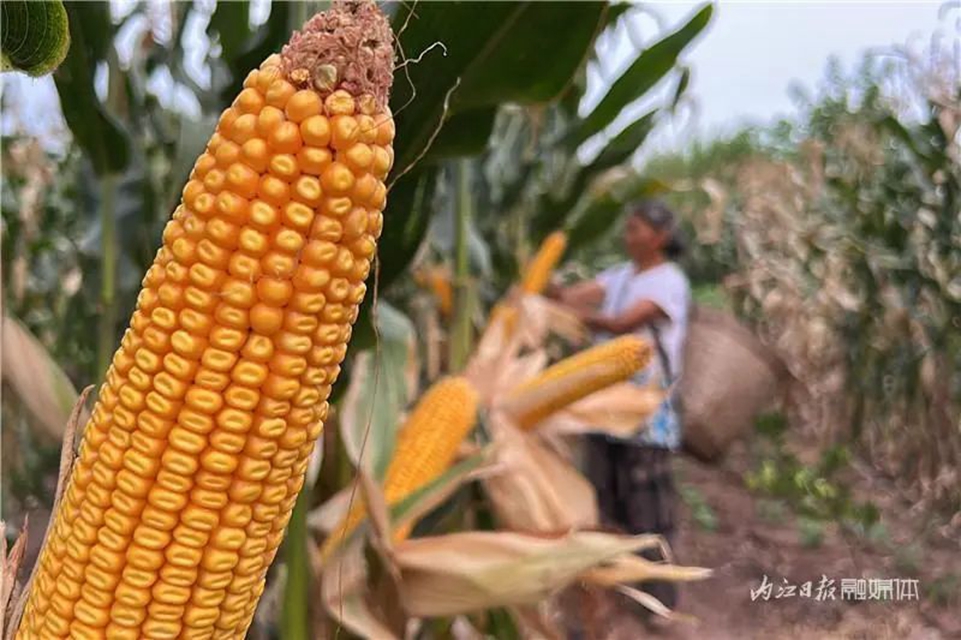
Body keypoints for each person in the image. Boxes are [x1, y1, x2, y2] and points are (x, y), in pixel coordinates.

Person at [548, 199, 691, 614]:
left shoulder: (668, 282)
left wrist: (566, 313)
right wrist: (547, 289)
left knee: (648, 508)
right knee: (605, 500)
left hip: (647, 417)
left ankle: (659, 602)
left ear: (659, 238)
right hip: (601, 410)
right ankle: (617, 589)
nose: (626, 234)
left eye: (635, 228)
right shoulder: (622, 274)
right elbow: (577, 295)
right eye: (626, 228)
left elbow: (623, 324)